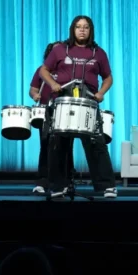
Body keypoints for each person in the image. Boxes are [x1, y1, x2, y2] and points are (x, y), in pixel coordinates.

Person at [39, 16, 118, 198]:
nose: (82, 30)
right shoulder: (60, 50)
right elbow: (44, 70)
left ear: (90, 30)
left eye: (86, 27)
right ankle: (58, 185)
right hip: (63, 100)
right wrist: (52, 84)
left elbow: (108, 77)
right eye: (78, 27)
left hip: (88, 100)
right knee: (58, 143)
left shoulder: (98, 52)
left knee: (95, 142)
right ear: (72, 29)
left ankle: (106, 186)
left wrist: (101, 93)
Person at [32, 41, 73, 195]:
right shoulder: (41, 71)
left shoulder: (69, 71)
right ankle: (42, 182)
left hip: (66, 111)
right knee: (45, 145)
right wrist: (35, 94)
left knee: (66, 147)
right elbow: (33, 89)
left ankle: (66, 181)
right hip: (46, 111)